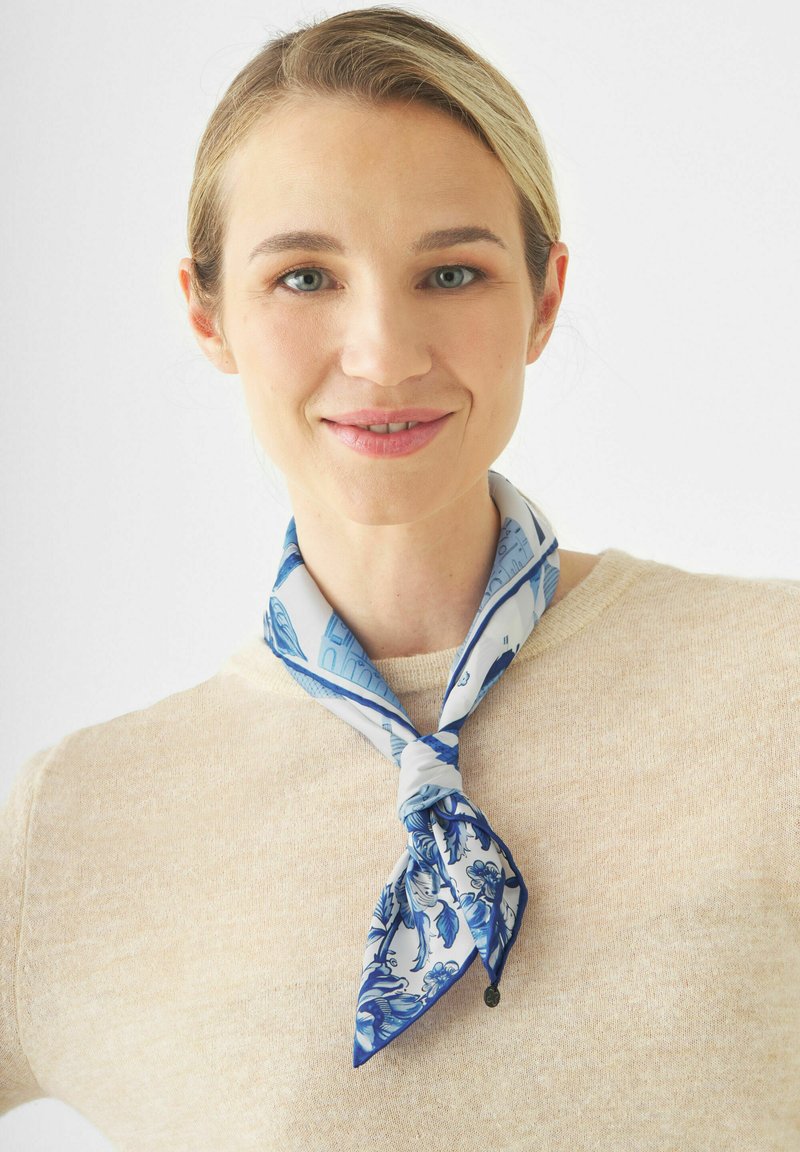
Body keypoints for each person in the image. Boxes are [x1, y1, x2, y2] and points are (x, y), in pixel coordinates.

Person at [1, 6, 797, 1148]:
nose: (382, 353)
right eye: (304, 277)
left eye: (452, 272)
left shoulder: (777, 689)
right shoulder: (71, 833)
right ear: (206, 314)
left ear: (544, 299)